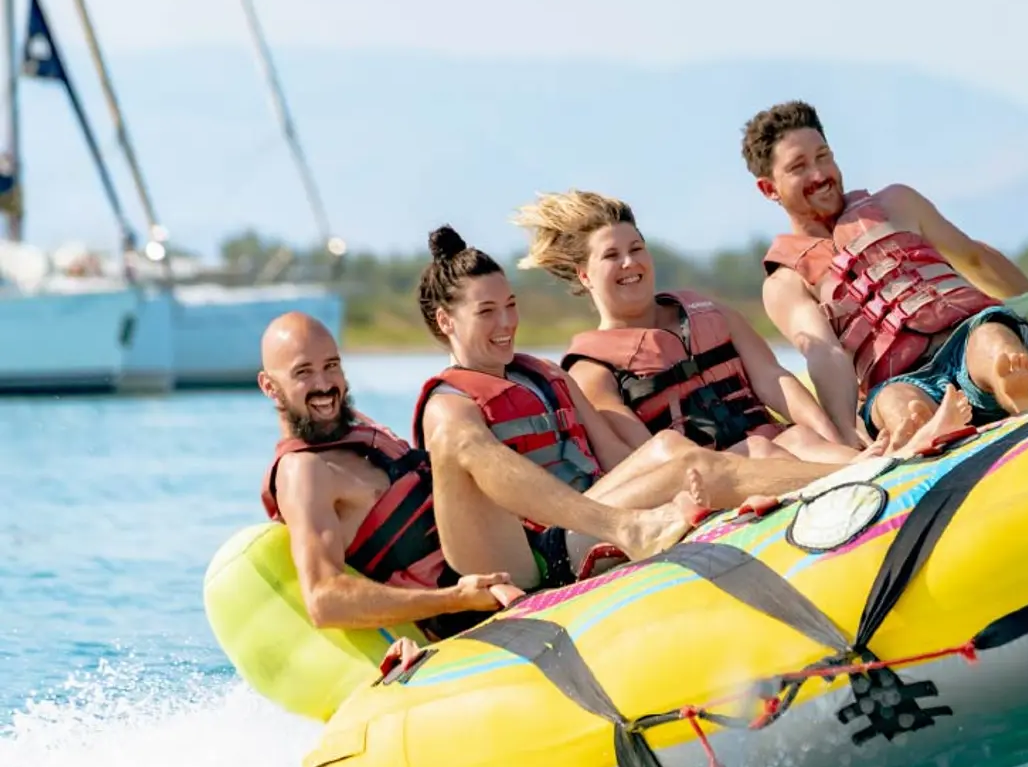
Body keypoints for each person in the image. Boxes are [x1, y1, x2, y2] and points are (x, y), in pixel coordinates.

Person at [411, 225, 844, 592]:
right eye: (487, 312)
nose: (506, 324)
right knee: (697, 467)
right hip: (543, 551)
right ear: (446, 322)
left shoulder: (544, 374)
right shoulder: (448, 404)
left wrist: (664, 489)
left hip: (595, 513)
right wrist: (627, 518)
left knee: (677, 447)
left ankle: (875, 467)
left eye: (510, 306)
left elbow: (621, 460)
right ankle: (853, 479)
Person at [742, 100, 1028, 451]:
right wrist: (848, 434)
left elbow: (974, 258)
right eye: (799, 167)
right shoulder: (785, 282)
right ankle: (924, 428)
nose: (819, 175)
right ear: (769, 189)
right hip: (897, 379)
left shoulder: (896, 203)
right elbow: (825, 355)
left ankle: (1019, 391)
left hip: (964, 337)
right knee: (896, 405)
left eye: (823, 156)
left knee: (994, 343)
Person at [512, 189, 880, 464]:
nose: (630, 263)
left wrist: (835, 438)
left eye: (637, 248)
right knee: (767, 449)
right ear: (584, 276)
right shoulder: (592, 369)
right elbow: (653, 460)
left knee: (796, 439)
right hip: (724, 477)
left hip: (789, 446)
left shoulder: (707, 311)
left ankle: (860, 463)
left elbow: (774, 378)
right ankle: (860, 467)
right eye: (611, 255)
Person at [256, 311, 520, 642]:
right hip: (470, 608)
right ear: (270, 386)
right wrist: (456, 599)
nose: (324, 385)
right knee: (454, 433)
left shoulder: (359, 433)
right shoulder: (302, 471)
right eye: (303, 373)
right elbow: (324, 599)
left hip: (510, 551)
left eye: (331, 366)